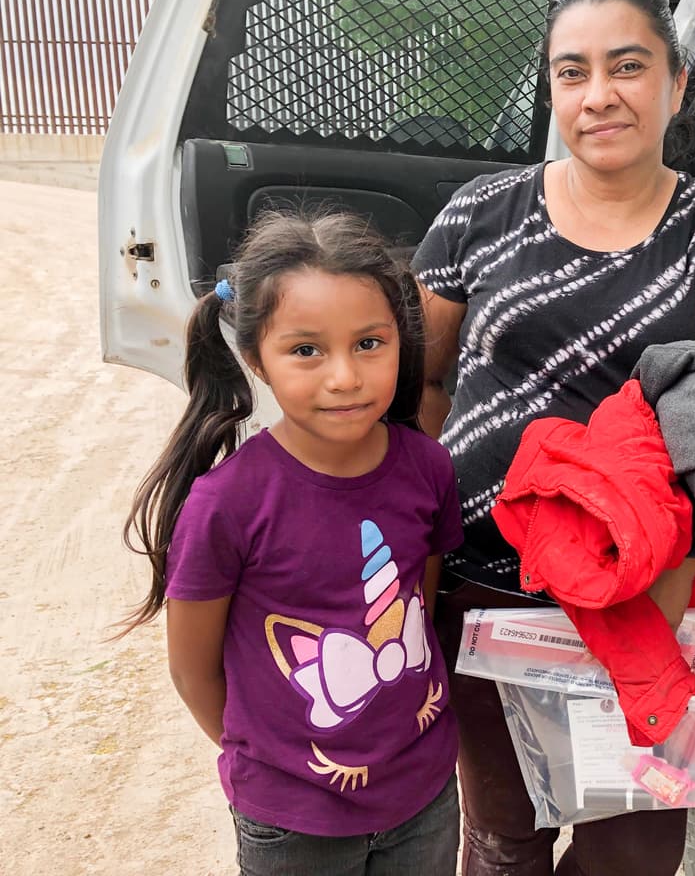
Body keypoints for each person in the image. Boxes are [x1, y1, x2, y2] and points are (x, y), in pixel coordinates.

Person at [413, 0, 695, 876]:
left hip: (645, 597)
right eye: (572, 72)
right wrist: (414, 552)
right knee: (504, 837)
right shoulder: (479, 215)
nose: (599, 95)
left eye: (627, 66)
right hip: (481, 586)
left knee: (632, 850)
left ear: (677, 82)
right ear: (552, 90)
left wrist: (657, 594)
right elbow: (420, 387)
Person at [121, 211, 463, 876]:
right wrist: (277, 771)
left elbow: (414, 602)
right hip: (292, 823)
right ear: (255, 358)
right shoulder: (227, 505)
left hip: (424, 797)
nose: (344, 377)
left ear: (402, 341)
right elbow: (194, 670)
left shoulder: (428, 467)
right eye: (306, 350)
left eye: (369, 343)